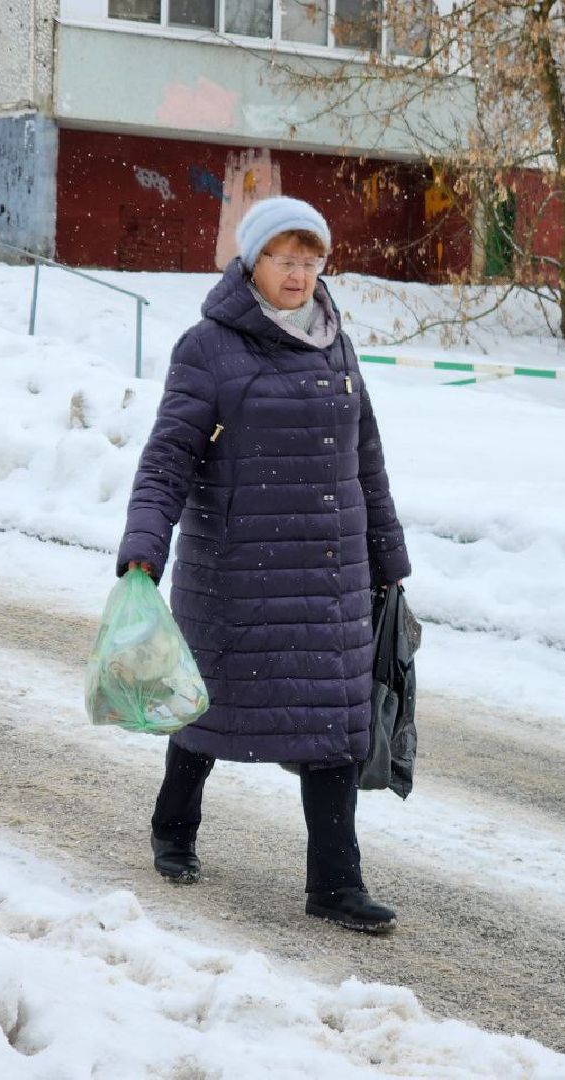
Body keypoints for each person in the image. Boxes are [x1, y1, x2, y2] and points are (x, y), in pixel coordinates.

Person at [116, 196, 411, 934]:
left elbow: (364, 456)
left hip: (332, 572)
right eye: (286, 258)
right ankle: (174, 828)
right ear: (253, 260)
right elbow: (168, 459)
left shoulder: (335, 342)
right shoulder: (209, 348)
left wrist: (388, 556)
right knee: (206, 712)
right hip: (238, 570)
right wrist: (145, 544)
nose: (301, 274)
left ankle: (336, 885)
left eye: (312, 260)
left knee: (335, 724)